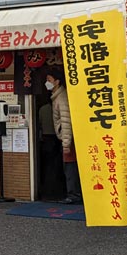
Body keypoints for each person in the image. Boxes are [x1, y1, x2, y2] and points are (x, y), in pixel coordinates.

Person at [46, 68, 83, 205]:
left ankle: (74, 194)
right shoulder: (57, 96)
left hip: (69, 140)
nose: (47, 83)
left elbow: (66, 121)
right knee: (68, 167)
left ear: (57, 82)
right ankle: (73, 193)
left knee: (70, 167)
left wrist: (66, 143)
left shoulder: (61, 97)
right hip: (65, 138)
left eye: (49, 80)